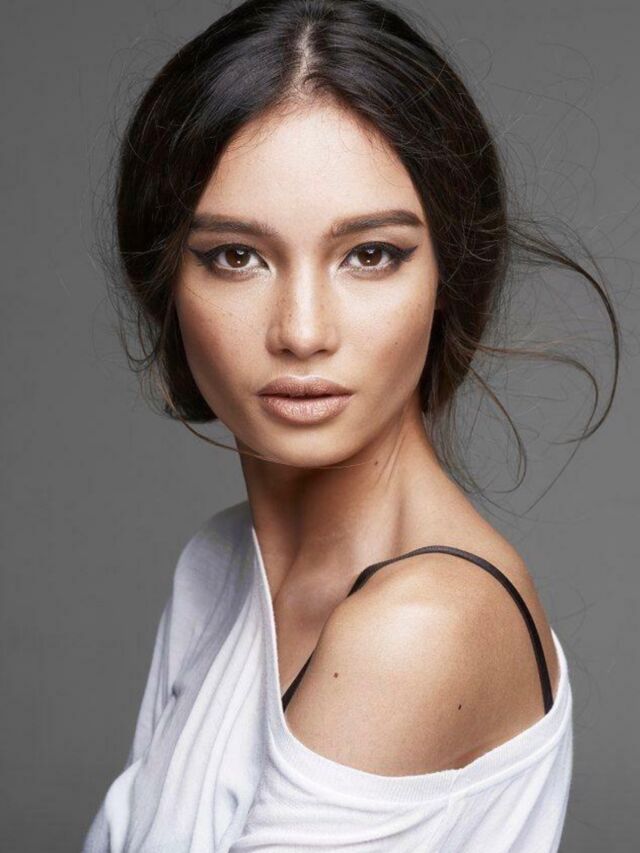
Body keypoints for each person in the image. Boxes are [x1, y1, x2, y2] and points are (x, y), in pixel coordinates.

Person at [82, 0, 619, 850]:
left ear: (447, 277)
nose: (302, 331)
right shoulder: (218, 567)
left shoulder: (420, 626)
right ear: (166, 284)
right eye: (236, 256)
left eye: (371, 254)